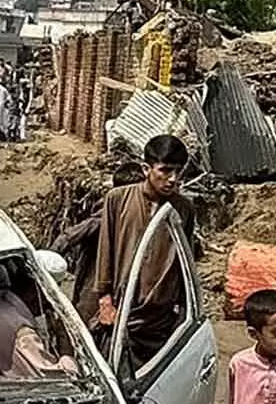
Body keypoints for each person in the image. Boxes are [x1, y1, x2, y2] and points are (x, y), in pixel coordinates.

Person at [81, 135, 197, 364]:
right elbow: (106, 251)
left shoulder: (183, 209)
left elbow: (185, 262)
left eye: (178, 171)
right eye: (165, 170)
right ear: (146, 169)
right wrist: (105, 302)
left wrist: (185, 313)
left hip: (159, 321)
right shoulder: (117, 199)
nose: (173, 179)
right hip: (121, 314)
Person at [0, 264, 79, 378]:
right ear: (35, 292)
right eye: (49, 297)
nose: (50, 305)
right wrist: (66, 351)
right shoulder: (19, 331)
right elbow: (60, 381)